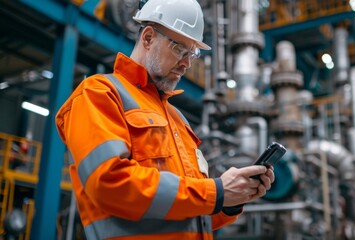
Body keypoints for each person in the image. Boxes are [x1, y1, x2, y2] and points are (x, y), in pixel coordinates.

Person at [55, 0, 275, 239]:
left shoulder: (177, 118)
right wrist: (216, 191)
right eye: (180, 49)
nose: (187, 64)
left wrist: (229, 201)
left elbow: (190, 214)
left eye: (193, 53)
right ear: (148, 38)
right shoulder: (99, 93)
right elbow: (109, 183)